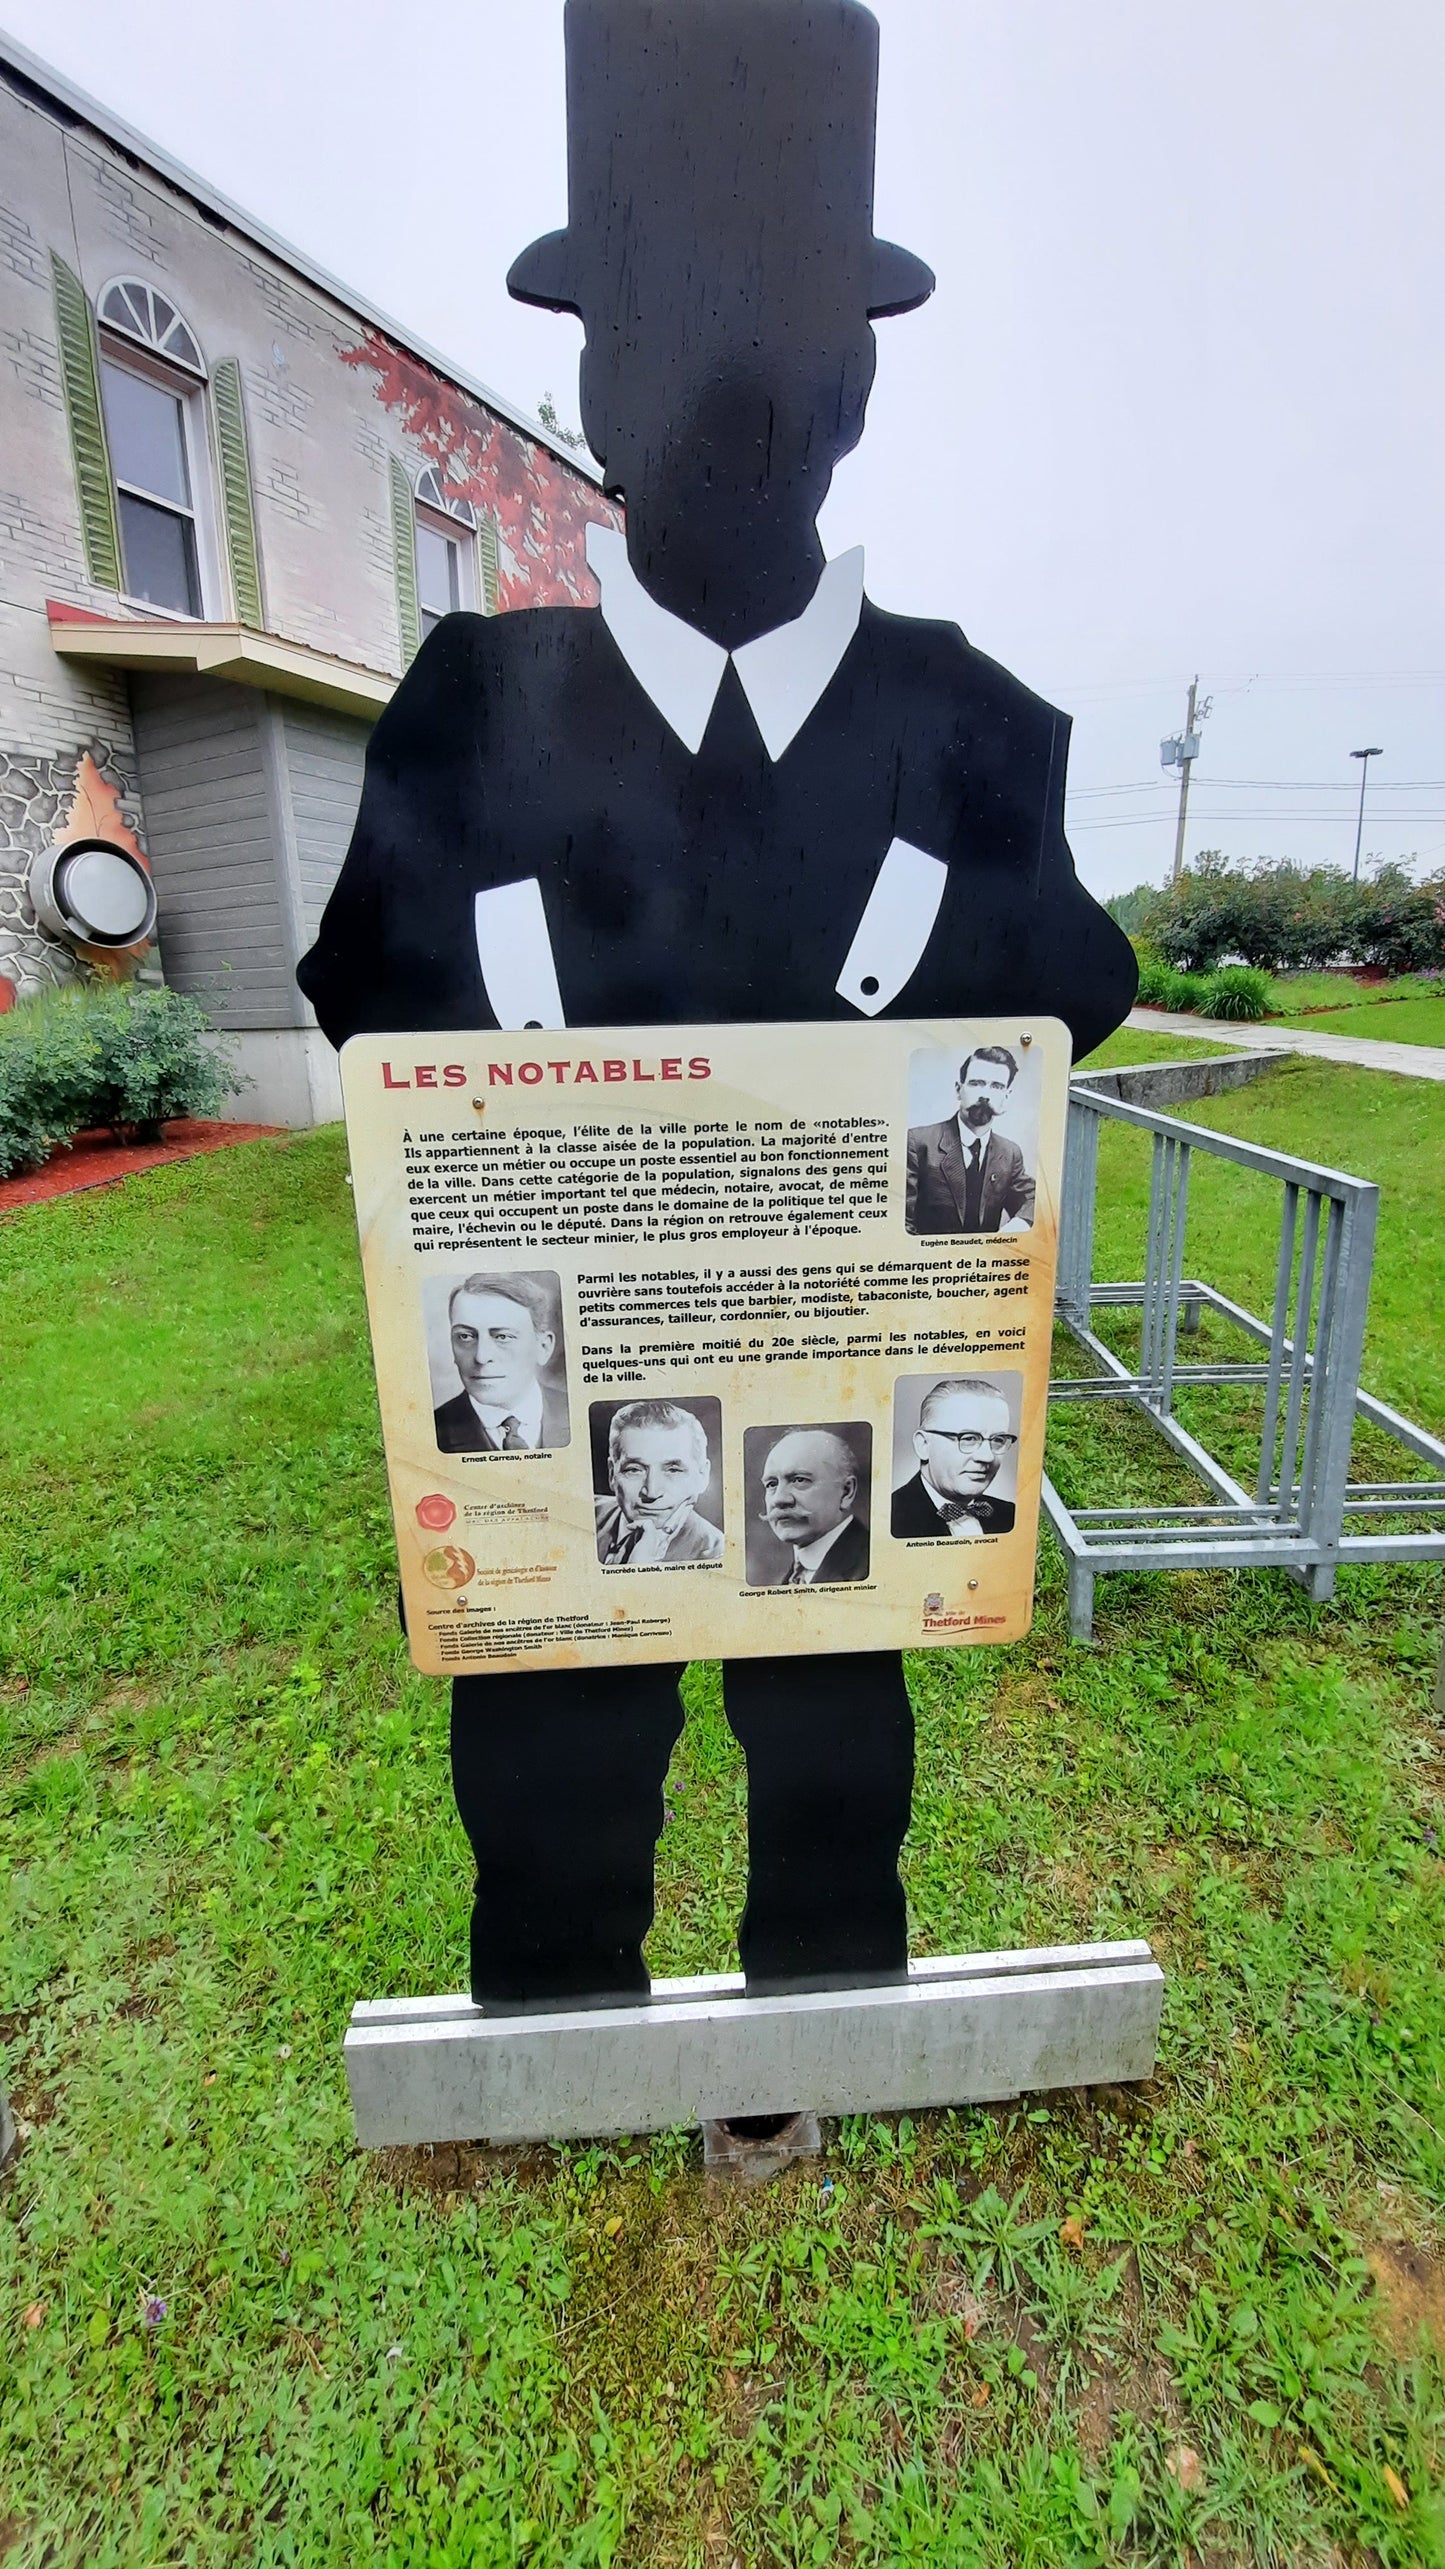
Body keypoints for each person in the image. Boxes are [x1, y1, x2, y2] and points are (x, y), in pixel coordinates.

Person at [298, 0, 1137, 2012]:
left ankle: (817, 2017)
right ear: (587, 380)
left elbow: (1063, 995)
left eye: (776, 349)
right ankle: (556, 2028)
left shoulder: (972, 732)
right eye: (657, 337)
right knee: (554, 1760)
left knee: (834, 1746)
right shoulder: (466, 723)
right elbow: (371, 1006)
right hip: (552, 1431)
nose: (723, 396)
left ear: (855, 386)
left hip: (855, 1423)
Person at [906, 1048, 1035, 1237]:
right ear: (959, 1090)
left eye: (996, 1086)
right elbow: (903, 1223)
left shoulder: (1009, 1153)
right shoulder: (919, 1142)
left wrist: (1017, 1227)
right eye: (976, 1083)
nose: (985, 1095)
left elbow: (1034, 1200)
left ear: (1006, 1096)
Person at [433, 1273, 569, 1453]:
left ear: (543, 1347)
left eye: (502, 1337)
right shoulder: (432, 1430)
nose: (481, 1357)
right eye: (465, 1336)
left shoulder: (579, 1414)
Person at [595, 1400, 723, 1565]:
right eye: (634, 1470)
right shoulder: (580, 1515)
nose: (652, 1492)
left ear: (702, 1477)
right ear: (612, 1473)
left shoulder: (717, 1553)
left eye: (673, 1470)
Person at [892, 1378, 1018, 1538]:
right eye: (968, 1438)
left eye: (998, 1440)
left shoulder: (1010, 1515)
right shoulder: (888, 1519)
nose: (987, 1457)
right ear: (923, 1445)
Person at [757, 1429, 870, 1584]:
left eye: (799, 1480)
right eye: (771, 1484)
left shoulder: (873, 1563)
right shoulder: (792, 1576)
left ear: (846, 1492)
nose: (779, 1499)